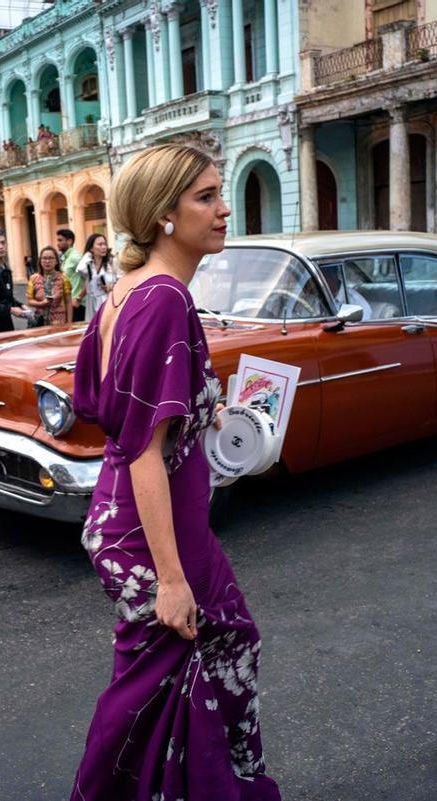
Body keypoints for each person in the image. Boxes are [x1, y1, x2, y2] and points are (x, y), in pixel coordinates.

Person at [69, 144, 280, 801]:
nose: (223, 209)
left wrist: (208, 414)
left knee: (194, 662)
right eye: (206, 197)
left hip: (142, 523)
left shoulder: (130, 289)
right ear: (164, 214)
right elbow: (139, 447)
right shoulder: (160, 298)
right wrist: (169, 577)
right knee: (164, 681)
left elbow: (130, 408)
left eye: (221, 193)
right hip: (150, 534)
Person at [26, 246, 71, 327]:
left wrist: (69, 323)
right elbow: (29, 301)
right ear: (40, 261)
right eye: (44, 258)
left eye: (51, 258)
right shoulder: (33, 278)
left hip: (59, 322)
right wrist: (41, 303)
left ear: (56, 261)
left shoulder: (63, 278)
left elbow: (68, 302)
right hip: (40, 322)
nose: (47, 261)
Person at [77, 232, 116, 321]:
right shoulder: (88, 265)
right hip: (92, 303)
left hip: (108, 301)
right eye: (100, 244)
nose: (104, 247)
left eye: (105, 244)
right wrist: (88, 254)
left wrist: (112, 287)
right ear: (91, 248)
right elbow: (80, 269)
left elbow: (122, 281)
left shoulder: (112, 262)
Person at [56, 228, 85, 322]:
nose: (57, 243)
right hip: (67, 304)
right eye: (57, 240)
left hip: (76, 305)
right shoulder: (65, 257)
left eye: (60, 240)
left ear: (69, 241)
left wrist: (79, 298)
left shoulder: (76, 257)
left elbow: (89, 279)